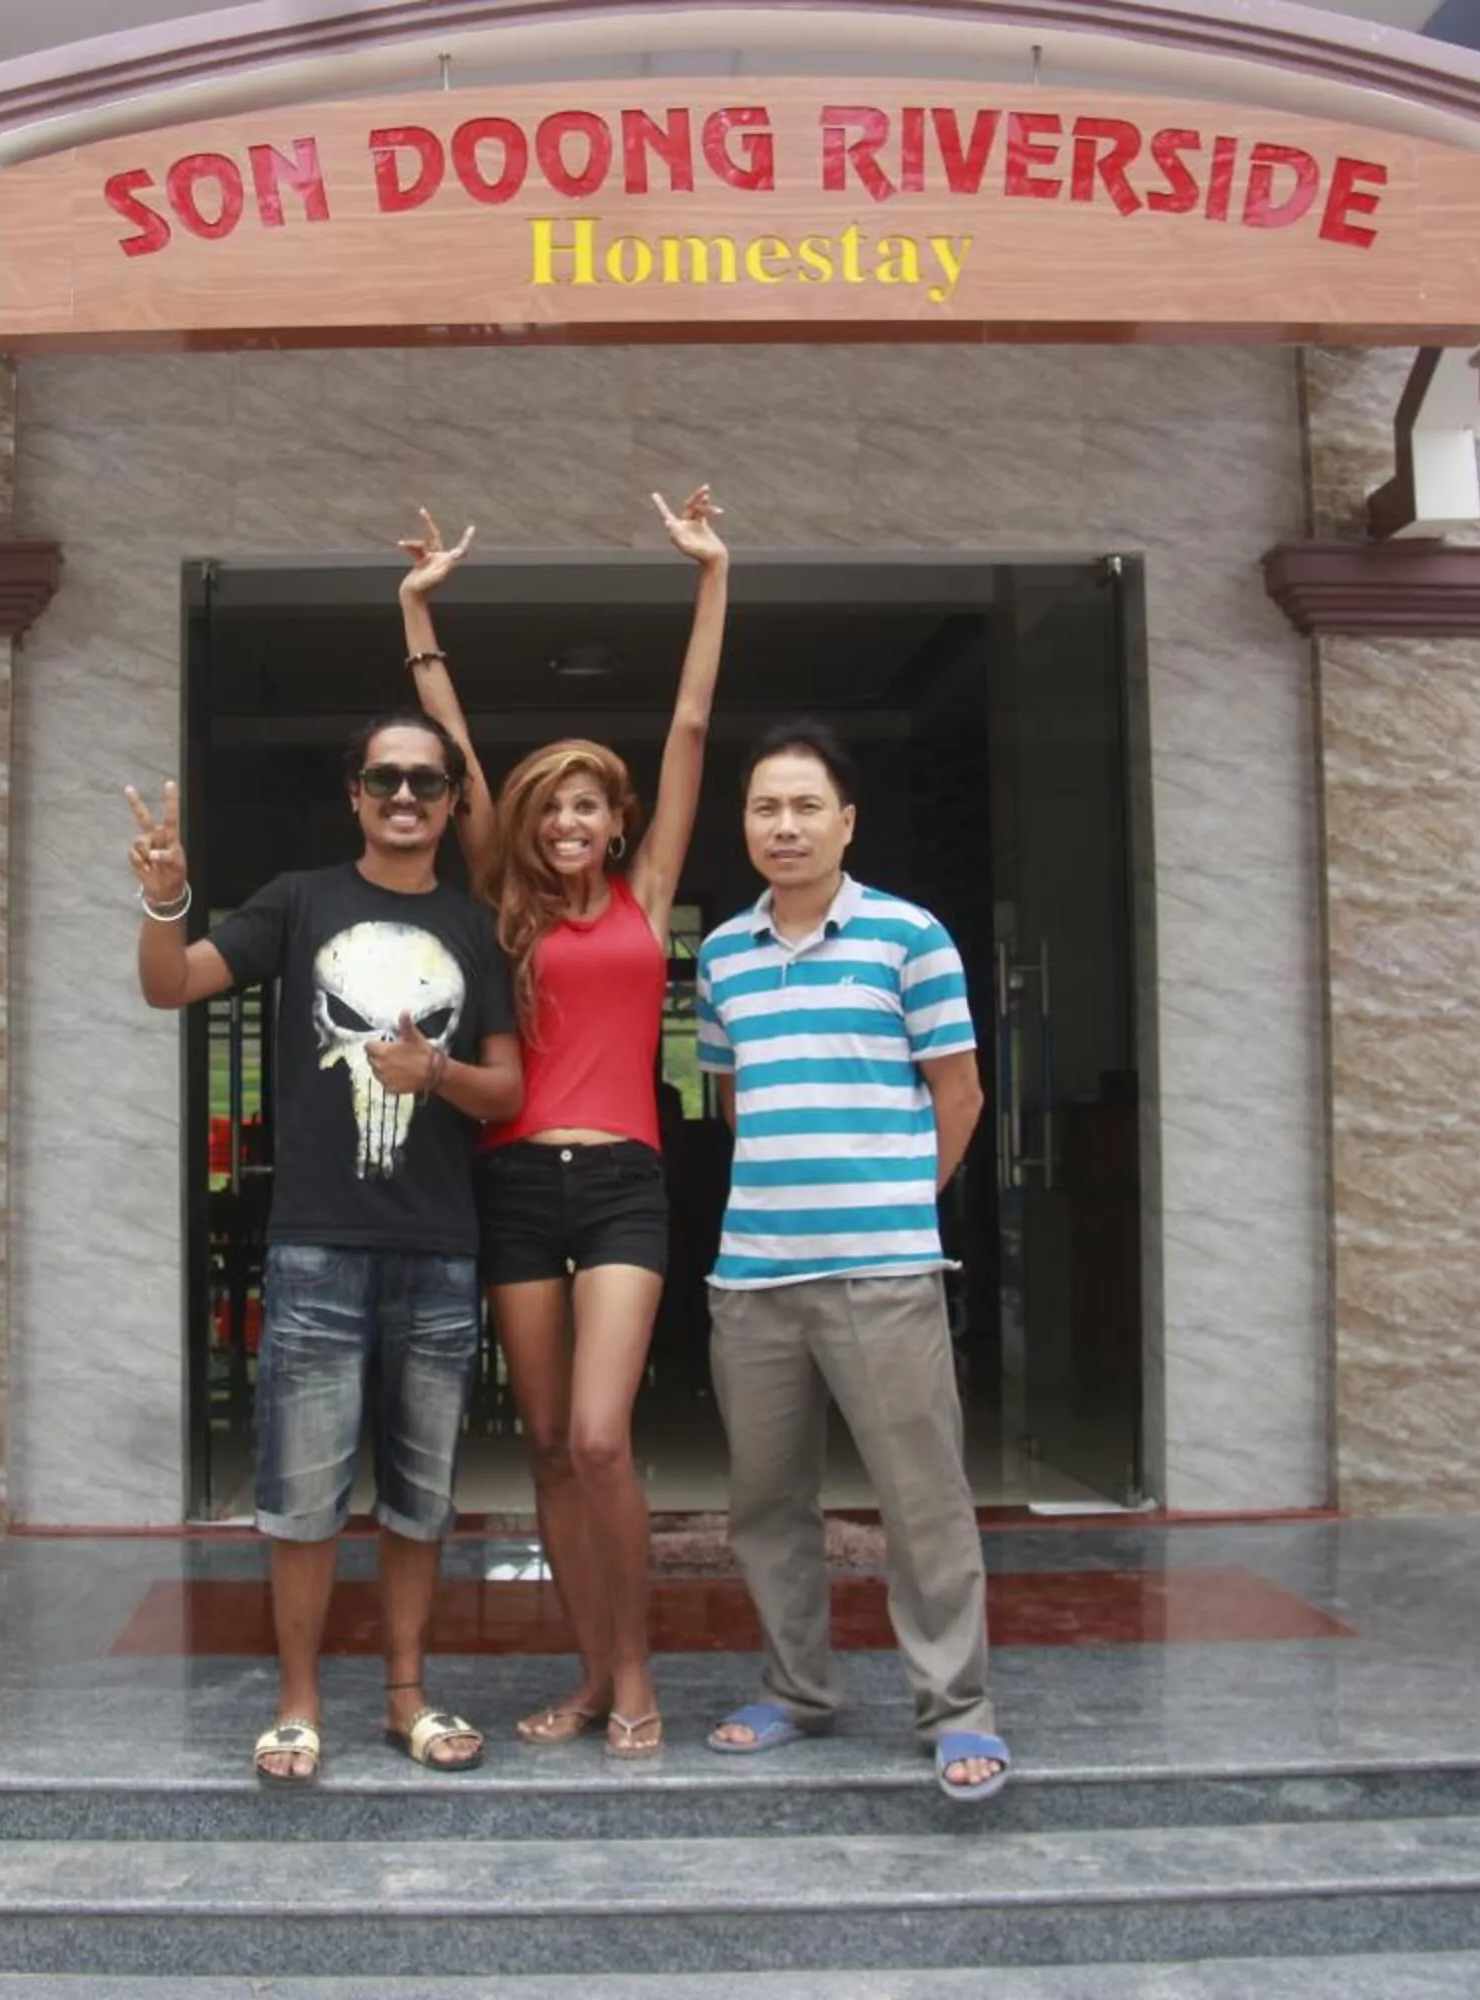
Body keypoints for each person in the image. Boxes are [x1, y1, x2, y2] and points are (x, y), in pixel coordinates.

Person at [394, 486, 729, 1759]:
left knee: (600, 1434)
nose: (568, 822)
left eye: (590, 806)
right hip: (513, 1184)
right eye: (552, 808)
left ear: (619, 821)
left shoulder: (645, 895)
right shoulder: (502, 904)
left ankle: (635, 1666)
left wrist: (712, 573)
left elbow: (691, 722)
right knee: (540, 1443)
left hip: (628, 1181)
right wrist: (418, 613)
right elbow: (458, 753)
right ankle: (591, 1677)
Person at [126, 718, 523, 1785]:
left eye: (425, 780)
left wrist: (432, 1075)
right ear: (356, 792)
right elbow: (171, 984)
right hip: (314, 1252)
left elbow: (509, 1089)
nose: (405, 794)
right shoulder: (298, 902)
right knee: (301, 1500)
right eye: (385, 777)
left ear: (448, 800)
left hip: (438, 1251)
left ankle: (405, 1694)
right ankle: (298, 1703)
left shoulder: (476, 931)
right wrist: (167, 896)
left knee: (418, 1496)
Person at [691, 721, 1009, 1803]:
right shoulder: (722, 953)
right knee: (767, 1502)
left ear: (846, 821)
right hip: (754, 1276)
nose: (784, 826)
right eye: (764, 808)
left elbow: (958, 1093)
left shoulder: (908, 936)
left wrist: (898, 1200)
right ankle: (797, 1687)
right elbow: (734, 1101)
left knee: (923, 1497)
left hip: (884, 1273)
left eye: (805, 806)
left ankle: (957, 1706)